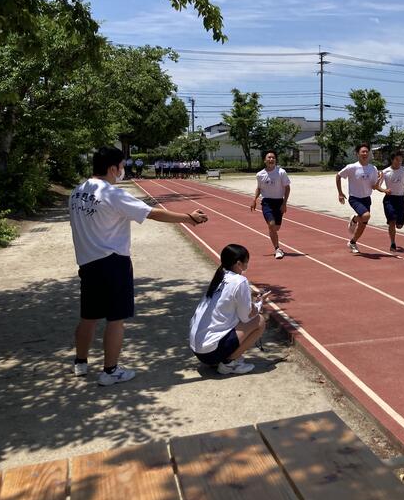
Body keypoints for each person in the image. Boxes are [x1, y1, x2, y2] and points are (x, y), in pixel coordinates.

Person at [69, 146, 209, 386]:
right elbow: (151, 213)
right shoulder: (112, 193)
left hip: (87, 263)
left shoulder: (77, 192)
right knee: (116, 319)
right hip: (113, 262)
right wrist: (189, 218)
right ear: (113, 168)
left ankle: (80, 363)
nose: (122, 170)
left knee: (88, 317)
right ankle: (110, 371)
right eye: (122, 166)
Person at [189, 244, 268, 375]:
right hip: (210, 353)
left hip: (198, 350)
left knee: (235, 317)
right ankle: (229, 363)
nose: (247, 265)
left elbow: (228, 297)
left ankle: (222, 357)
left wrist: (249, 296)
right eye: (246, 262)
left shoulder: (220, 276)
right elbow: (246, 317)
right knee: (259, 321)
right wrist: (259, 304)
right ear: (239, 264)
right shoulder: (240, 281)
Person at [335, 142, 389, 254]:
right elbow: (338, 176)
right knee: (366, 216)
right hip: (355, 198)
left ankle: (352, 242)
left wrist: (380, 181)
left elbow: (374, 186)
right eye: (362, 152)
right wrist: (340, 193)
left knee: (363, 224)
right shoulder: (352, 167)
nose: (365, 153)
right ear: (357, 154)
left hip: (366, 199)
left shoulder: (373, 168)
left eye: (366, 152)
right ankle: (354, 219)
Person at [251, 151, 291, 259]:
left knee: (276, 228)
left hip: (279, 202)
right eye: (269, 158)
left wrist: (284, 203)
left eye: (273, 157)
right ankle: (277, 249)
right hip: (267, 202)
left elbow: (287, 188)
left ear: (275, 160)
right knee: (272, 225)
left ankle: (274, 237)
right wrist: (254, 199)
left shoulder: (281, 172)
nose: (271, 159)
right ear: (265, 160)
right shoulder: (260, 174)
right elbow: (259, 188)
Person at [381, 150, 404, 252]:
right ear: (392, 160)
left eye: (400, 160)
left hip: (401, 199)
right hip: (389, 199)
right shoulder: (385, 172)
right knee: (392, 221)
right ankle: (393, 243)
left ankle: (398, 225)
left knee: (399, 225)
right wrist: (384, 190)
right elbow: (377, 186)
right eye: (397, 159)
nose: (399, 162)